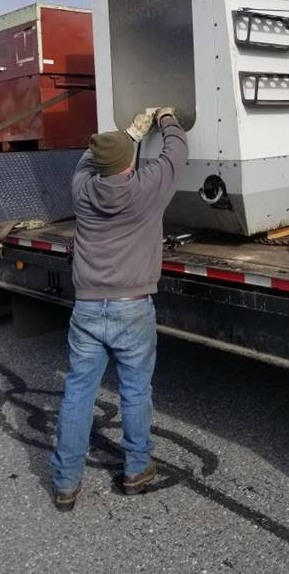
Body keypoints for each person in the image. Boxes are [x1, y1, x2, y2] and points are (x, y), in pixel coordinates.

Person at [50, 107, 188, 510]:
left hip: (88, 309)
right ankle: (136, 470)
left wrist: (126, 134)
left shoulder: (81, 189)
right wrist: (165, 117)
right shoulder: (148, 189)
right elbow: (176, 151)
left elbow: (87, 158)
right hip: (133, 308)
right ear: (131, 162)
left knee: (78, 392)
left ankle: (65, 483)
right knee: (134, 391)